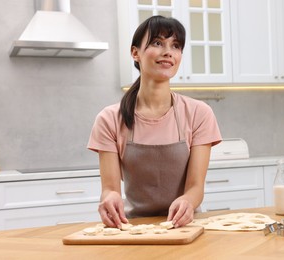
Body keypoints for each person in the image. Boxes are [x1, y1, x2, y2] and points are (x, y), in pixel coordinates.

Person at [87, 15, 222, 229]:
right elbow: (110, 188)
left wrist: (187, 201)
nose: (168, 51)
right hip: (133, 228)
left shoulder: (199, 113)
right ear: (135, 53)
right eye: (158, 43)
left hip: (186, 227)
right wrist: (110, 198)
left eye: (175, 45)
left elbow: (196, 187)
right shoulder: (110, 119)